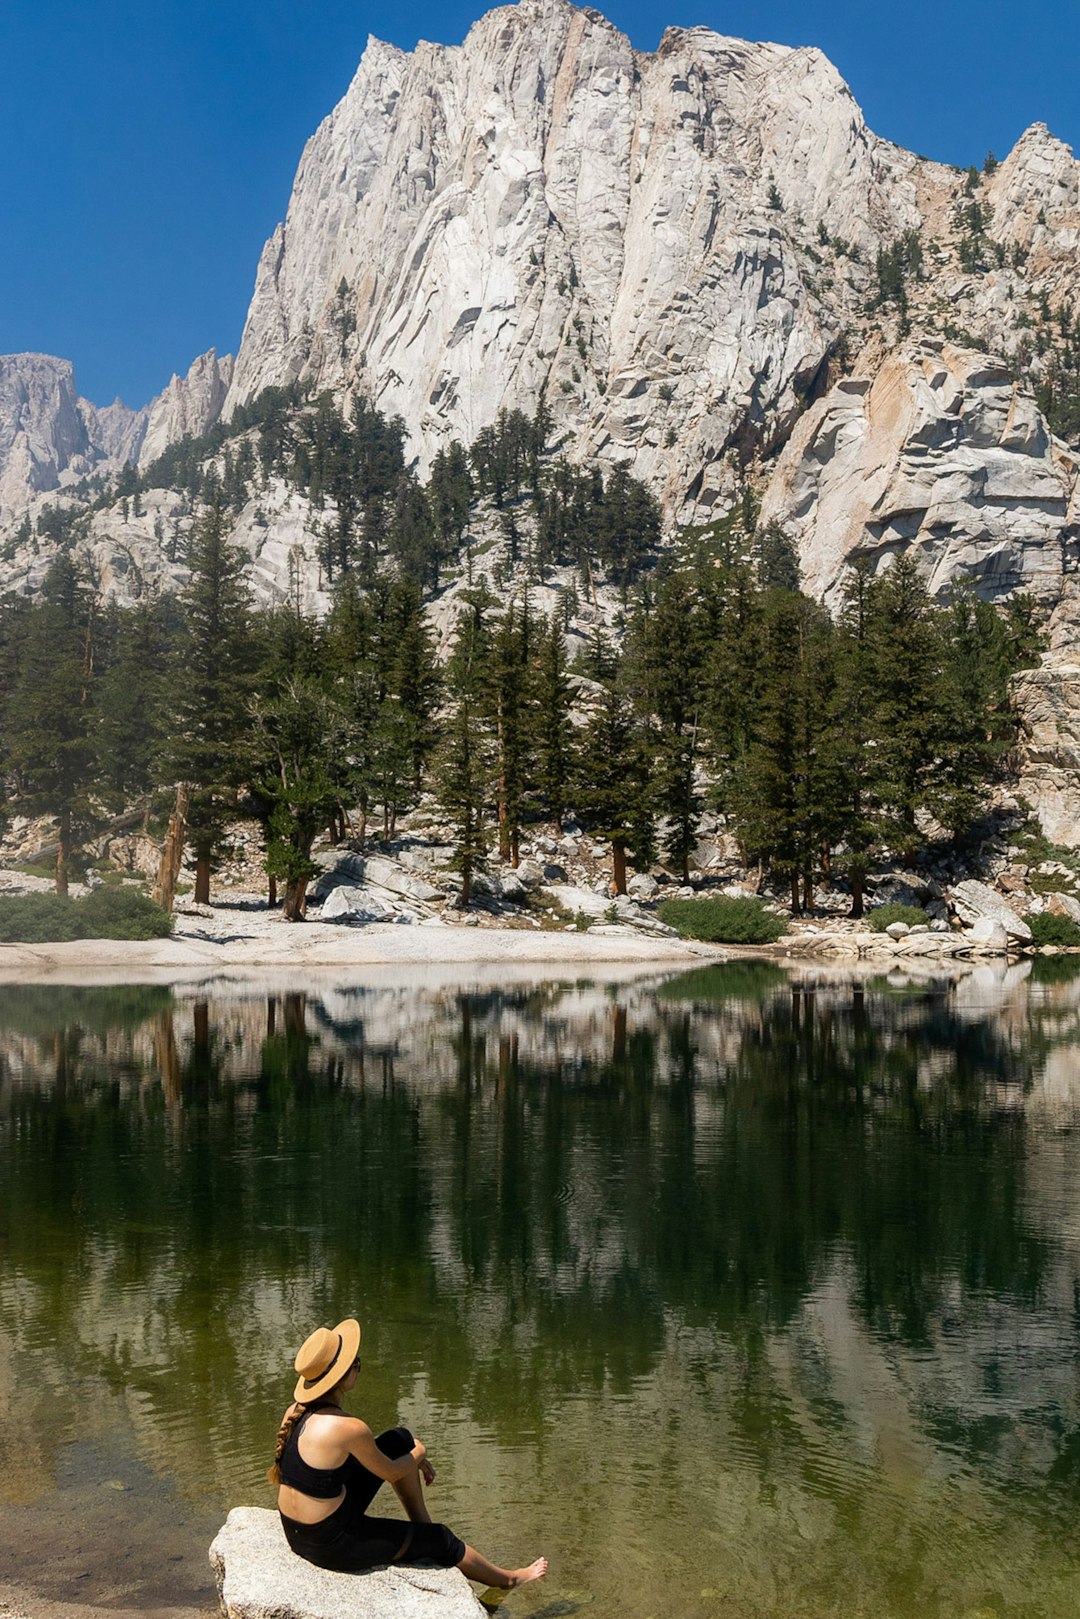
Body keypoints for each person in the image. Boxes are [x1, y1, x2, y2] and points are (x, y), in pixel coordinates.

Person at [270, 1317, 547, 1589]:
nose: (358, 1367)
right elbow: (391, 1471)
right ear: (341, 1377)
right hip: (333, 1544)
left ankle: (419, 1527)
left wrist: (409, 1449)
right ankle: (508, 1579)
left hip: (297, 1531)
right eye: (356, 1364)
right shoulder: (348, 1428)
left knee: (397, 1439)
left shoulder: (294, 1412)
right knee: (441, 1538)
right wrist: (420, 1452)